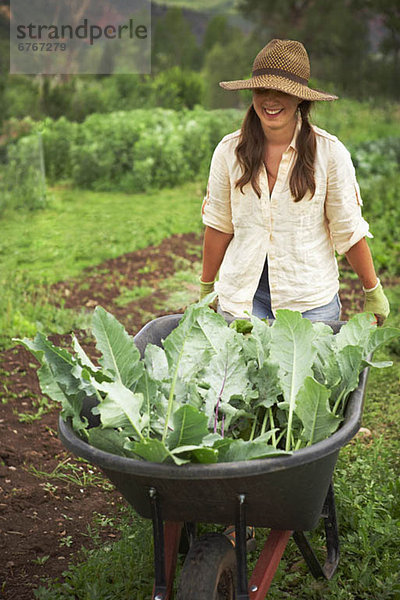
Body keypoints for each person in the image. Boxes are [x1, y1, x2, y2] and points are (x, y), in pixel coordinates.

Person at [200, 38, 390, 325]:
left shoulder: (329, 153)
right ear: (252, 92)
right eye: (263, 89)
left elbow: (347, 231)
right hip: (244, 300)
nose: (270, 100)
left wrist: (372, 290)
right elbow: (219, 226)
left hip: (310, 302)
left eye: (282, 92)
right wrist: (205, 288)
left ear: (300, 97)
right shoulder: (229, 152)